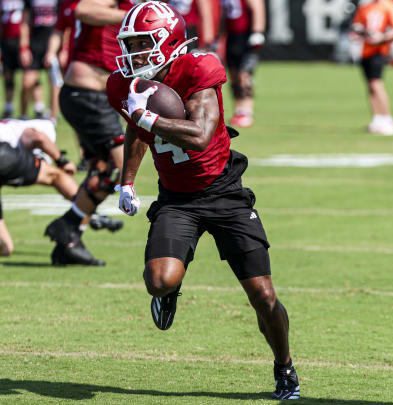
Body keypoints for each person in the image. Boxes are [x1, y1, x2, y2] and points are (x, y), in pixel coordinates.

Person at [106, 2, 298, 399]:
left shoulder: (199, 68)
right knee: (159, 281)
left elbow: (200, 134)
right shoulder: (124, 83)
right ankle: (170, 293)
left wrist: (147, 119)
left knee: (263, 295)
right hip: (176, 198)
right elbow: (136, 131)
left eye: (143, 43)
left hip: (224, 191)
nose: (135, 53)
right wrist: (126, 182)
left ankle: (284, 367)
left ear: (169, 41)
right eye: (131, 43)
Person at [41, 0, 132, 266]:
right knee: (119, 166)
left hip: (93, 95)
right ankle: (68, 225)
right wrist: (130, 15)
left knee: (103, 169)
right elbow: (82, 10)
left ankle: (69, 241)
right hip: (87, 93)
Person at [0, 119, 78, 262]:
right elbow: (39, 138)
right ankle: (84, 208)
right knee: (56, 175)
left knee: (6, 247)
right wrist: (61, 160)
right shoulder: (33, 128)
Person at [350, 0, 393, 136]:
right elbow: (357, 25)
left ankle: (387, 119)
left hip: (378, 51)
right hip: (364, 51)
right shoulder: (365, 7)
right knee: (370, 86)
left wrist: (382, 38)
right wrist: (359, 31)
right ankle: (377, 119)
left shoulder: (389, 5)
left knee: (376, 84)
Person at [222, 0, 265, 128]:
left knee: (244, 75)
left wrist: (258, 31)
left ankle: (247, 111)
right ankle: (238, 110)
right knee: (234, 76)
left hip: (245, 36)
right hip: (231, 37)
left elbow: (258, 8)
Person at [0, 0, 24, 118]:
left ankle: (33, 108)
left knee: (29, 76)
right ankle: (9, 106)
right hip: (6, 40)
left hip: (21, 40)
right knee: (8, 75)